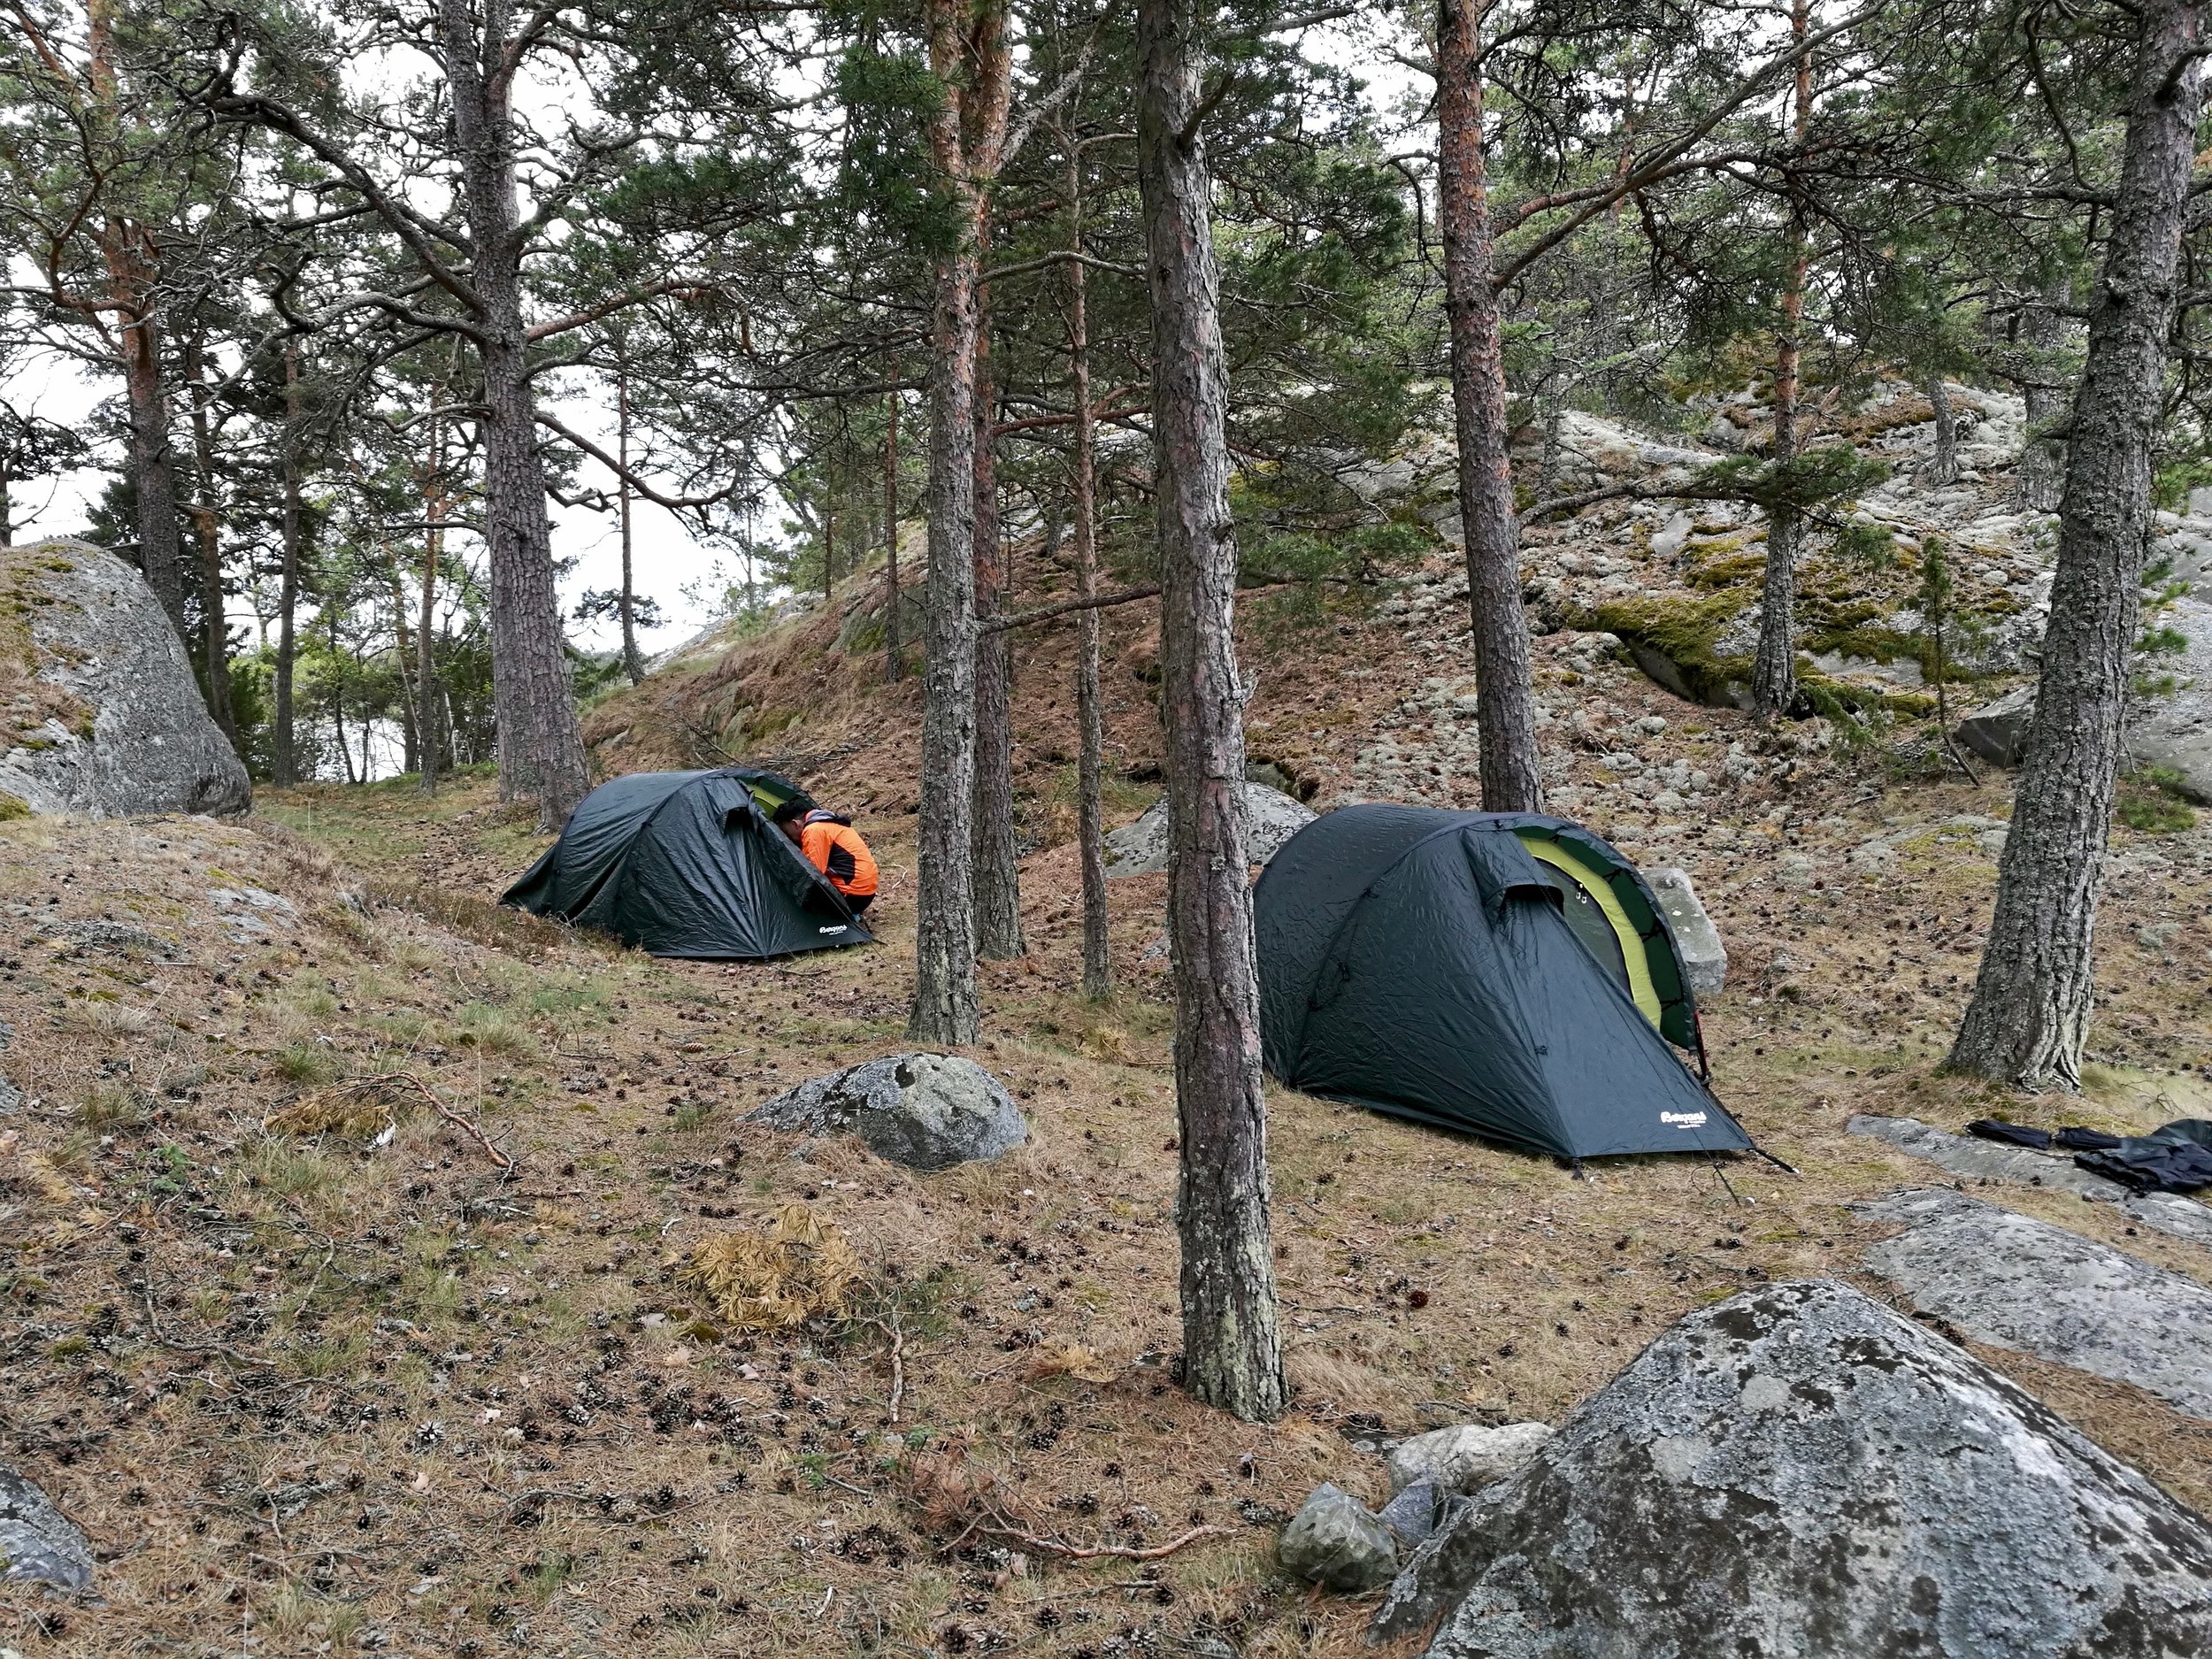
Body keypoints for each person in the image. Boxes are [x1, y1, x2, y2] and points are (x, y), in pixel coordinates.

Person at [772, 799, 879, 914]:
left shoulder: (814, 830)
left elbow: (812, 875)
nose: (788, 838)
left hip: (852, 896)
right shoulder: (828, 822)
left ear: (795, 824)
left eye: (786, 832)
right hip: (866, 891)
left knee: (797, 897)